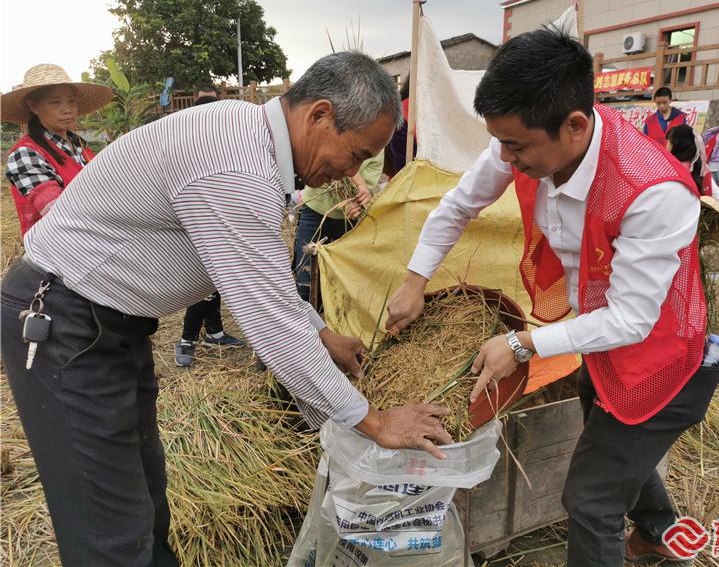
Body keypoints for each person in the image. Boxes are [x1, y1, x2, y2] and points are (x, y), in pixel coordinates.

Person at [0, 52, 453, 567]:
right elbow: (267, 318)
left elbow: (259, 275)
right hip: (63, 325)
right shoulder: (235, 165)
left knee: (144, 501)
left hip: (111, 324)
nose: (350, 172)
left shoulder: (249, 137)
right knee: (109, 531)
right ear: (320, 115)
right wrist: (373, 421)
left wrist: (321, 332)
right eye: (356, 154)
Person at [386, 27, 719, 567]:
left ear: (575, 126)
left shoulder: (653, 192)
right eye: (500, 142)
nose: (505, 157)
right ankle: (659, 532)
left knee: (590, 501)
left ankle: (642, 530)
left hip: (664, 361)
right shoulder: (524, 138)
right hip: (599, 342)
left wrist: (522, 344)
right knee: (612, 446)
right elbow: (458, 206)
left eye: (516, 146)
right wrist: (413, 282)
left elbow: (632, 320)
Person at [174, 84, 244, 367]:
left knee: (215, 280)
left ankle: (214, 332)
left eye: (211, 103)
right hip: (196, 218)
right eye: (202, 103)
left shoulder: (224, 138)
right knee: (204, 282)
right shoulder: (185, 139)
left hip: (219, 216)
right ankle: (187, 339)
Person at [3, 64, 113, 235]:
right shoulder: (26, 154)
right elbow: (60, 216)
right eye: (55, 102)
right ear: (33, 106)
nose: (67, 109)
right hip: (59, 247)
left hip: (99, 236)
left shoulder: (79, 145)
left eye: (71, 101)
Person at [293, 152, 383, 302]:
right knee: (305, 284)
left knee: (339, 286)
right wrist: (357, 185)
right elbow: (329, 161)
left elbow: (367, 191)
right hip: (315, 212)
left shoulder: (378, 150)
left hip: (347, 224)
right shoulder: (341, 136)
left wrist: (358, 202)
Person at [666, 124, 719, 222]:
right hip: (693, 221)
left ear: (678, 145)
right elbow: (716, 192)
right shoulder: (700, 168)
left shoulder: (669, 168)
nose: (666, 145)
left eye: (669, 141)